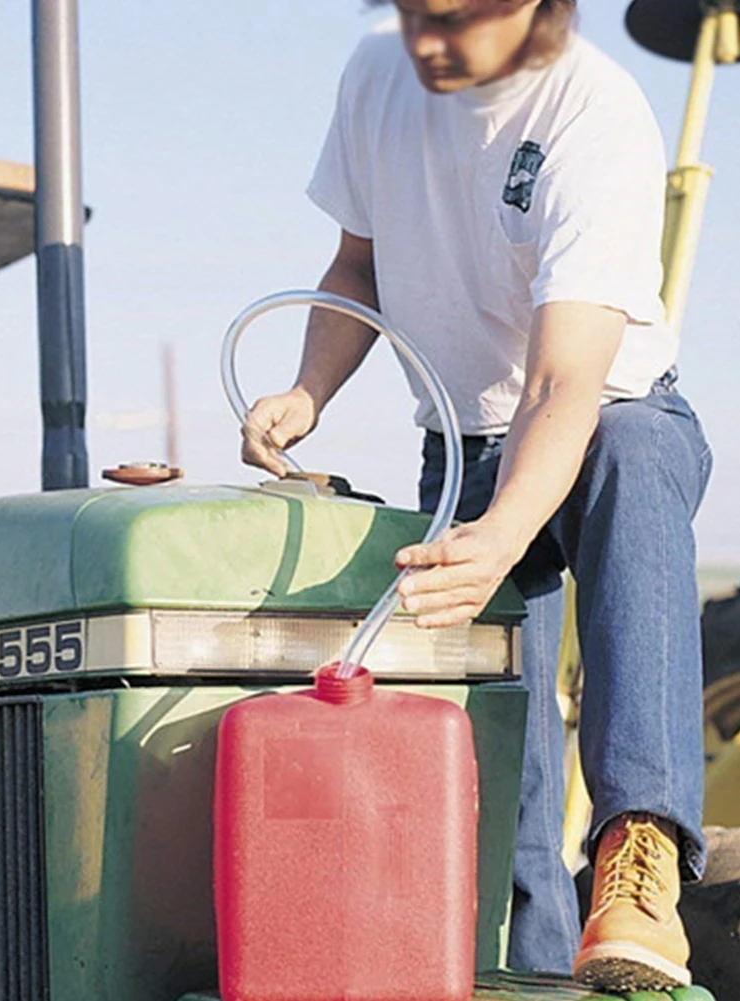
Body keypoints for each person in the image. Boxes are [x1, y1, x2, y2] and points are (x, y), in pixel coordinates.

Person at [240, 0, 712, 992]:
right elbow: (356, 261)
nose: (425, 41)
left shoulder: (595, 114)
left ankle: (639, 857)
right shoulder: (377, 71)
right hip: (457, 444)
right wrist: (306, 389)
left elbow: (562, 385)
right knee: (509, 766)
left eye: (452, 18)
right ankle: (527, 958)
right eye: (412, 11)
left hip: (597, 422)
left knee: (630, 456)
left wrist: (502, 533)